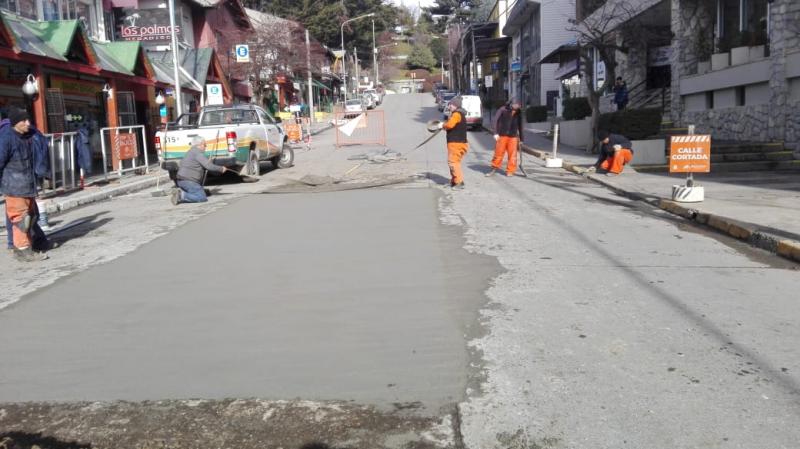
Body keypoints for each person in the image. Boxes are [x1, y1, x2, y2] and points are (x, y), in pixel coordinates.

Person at [0, 108, 52, 262]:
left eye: (28, 120)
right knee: (21, 219)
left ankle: (31, 244)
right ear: (15, 123)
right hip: (14, 186)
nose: (28, 123)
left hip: (27, 185)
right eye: (24, 121)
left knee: (31, 217)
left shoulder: (27, 136)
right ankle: (22, 251)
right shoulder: (6, 139)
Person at [171, 135, 227, 205]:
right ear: (199, 145)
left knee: (205, 193)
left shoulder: (190, 152)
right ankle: (181, 195)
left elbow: (201, 164)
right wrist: (221, 168)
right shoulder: (198, 153)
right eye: (205, 145)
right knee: (201, 197)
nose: (205, 147)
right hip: (189, 181)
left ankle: (183, 193)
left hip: (181, 181)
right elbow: (209, 166)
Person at [487, 98, 524, 177]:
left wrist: (521, 138)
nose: (517, 107)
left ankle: (510, 170)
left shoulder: (519, 112)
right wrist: (495, 133)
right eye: (515, 105)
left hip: (513, 136)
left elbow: (521, 126)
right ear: (511, 104)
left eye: (518, 105)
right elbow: (495, 120)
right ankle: (494, 168)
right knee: (498, 153)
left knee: (512, 154)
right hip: (502, 135)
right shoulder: (503, 109)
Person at [438, 96, 468, 190]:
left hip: (456, 143)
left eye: (451, 104)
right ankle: (455, 181)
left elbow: (450, 125)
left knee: (453, 162)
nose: (449, 106)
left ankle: (459, 182)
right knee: (454, 162)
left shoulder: (456, 114)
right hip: (460, 142)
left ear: (455, 105)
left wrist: (442, 125)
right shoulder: (459, 114)